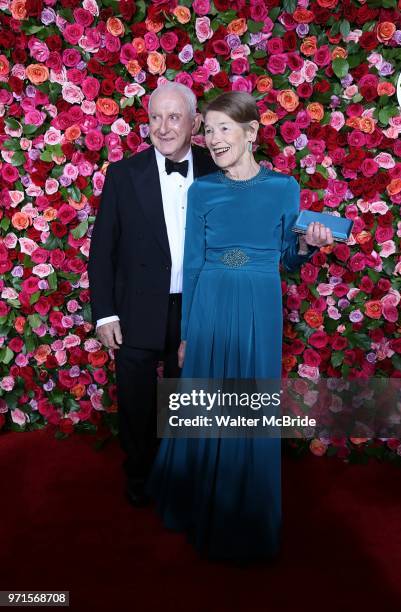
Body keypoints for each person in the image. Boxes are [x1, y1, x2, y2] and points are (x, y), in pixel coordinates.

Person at [147, 91, 333, 562]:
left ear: (251, 132)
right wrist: (187, 333)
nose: (213, 139)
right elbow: (191, 266)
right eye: (207, 130)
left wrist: (308, 246)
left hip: (259, 305)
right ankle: (196, 505)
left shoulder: (284, 189)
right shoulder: (201, 190)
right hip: (210, 302)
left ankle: (244, 516)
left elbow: (287, 258)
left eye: (223, 128)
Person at [88, 82, 217, 507]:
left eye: (174, 117)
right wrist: (105, 314)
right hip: (137, 308)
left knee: (188, 400)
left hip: (194, 309)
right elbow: (103, 249)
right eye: (155, 118)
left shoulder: (218, 171)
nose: (163, 127)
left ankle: (183, 476)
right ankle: (141, 477)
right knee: (138, 404)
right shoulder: (124, 175)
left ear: (195, 122)